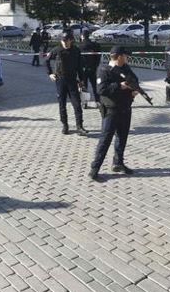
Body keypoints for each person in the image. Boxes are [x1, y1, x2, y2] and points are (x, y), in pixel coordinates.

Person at [88, 46, 138, 182]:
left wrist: (134, 89)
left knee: (122, 137)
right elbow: (101, 89)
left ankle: (118, 163)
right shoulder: (104, 70)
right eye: (125, 56)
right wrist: (119, 86)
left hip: (125, 108)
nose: (127, 58)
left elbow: (134, 79)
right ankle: (95, 168)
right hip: (111, 110)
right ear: (119, 56)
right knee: (105, 140)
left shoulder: (125, 68)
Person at [46, 32, 87, 135]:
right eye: (63, 40)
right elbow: (46, 61)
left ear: (70, 40)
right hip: (60, 80)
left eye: (66, 40)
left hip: (72, 80)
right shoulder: (56, 50)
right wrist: (50, 74)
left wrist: (81, 80)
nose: (64, 42)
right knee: (62, 104)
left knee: (77, 104)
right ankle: (65, 125)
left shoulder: (76, 50)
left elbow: (80, 66)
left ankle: (79, 126)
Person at [79, 30, 101, 104]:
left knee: (84, 85)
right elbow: (98, 56)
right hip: (93, 68)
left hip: (83, 68)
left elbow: (78, 58)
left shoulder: (80, 46)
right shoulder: (95, 45)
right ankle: (97, 101)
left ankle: (85, 102)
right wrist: (96, 65)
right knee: (94, 85)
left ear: (82, 36)